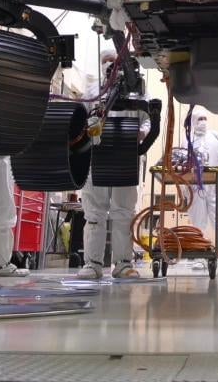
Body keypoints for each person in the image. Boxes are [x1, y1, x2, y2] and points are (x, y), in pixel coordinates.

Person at [78, 49, 151, 279]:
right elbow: (80, 121)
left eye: (114, 61)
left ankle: (122, 264)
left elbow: (148, 119)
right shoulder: (91, 91)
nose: (109, 65)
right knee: (94, 212)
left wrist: (142, 132)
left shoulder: (137, 90)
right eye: (105, 61)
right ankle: (92, 264)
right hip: (95, 156)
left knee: (123, 212)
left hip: (125, 156)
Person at [188, 107, 218, 269]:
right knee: (198, 222)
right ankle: (199, 256)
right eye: (200, 119)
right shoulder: (188, 139)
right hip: (196, 188)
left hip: (214, 186)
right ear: (193, 121)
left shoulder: (215, 136)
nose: (203, 122)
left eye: (205, 119)